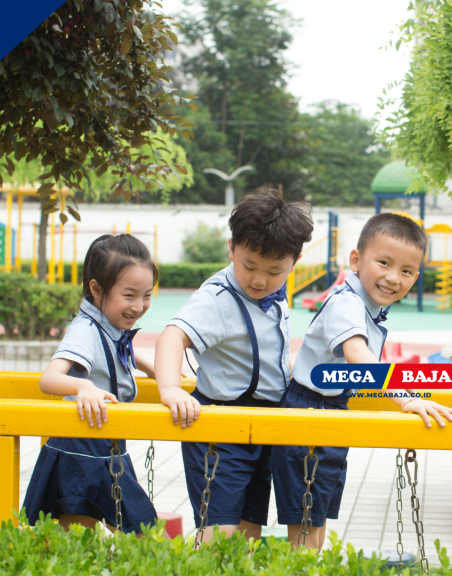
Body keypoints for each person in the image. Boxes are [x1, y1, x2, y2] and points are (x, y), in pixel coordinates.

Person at [273, 213, 452, 549]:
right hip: (308, 412)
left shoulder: (366, 306)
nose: (393, 277)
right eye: (384, 263)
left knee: (315, 523)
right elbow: (358, 355)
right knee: (305, 529)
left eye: (406, 271)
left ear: (416, 277)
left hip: (330, 410)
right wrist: (406, 399)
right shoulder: (347, 303)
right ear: (356, 260)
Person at [153, 186, 314, 544]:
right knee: (220, 533)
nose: (259, 280)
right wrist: (170, 388)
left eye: (275, 271)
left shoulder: (276, 295)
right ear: (231, 248)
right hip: (221, 427)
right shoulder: (217, 298)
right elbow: (172, 337)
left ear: (295, 261)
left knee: (247, 532)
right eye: (249, 266)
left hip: (264, 425)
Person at [23, 234, 159, 533]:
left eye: (147, 295)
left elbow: (118, 350)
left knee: (77, 534)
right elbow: (50, 378)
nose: (139, 306)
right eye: (129, 295)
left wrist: (153, 368)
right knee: (140, 531)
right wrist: (82, 387)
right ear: (96, 289)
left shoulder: (107, 325)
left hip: (101, 442)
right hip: (82, 445)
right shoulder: (85, 330)